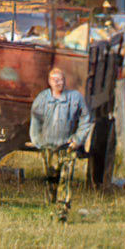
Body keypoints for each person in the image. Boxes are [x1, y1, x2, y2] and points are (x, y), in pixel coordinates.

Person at [29, 66, 94, 222]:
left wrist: (78, 139)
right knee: (51, 180)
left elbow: (86, 119)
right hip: (49, 147)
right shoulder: (42, 99)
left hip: (67, 147)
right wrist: (38, 141)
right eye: (55, 80)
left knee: (65, 180)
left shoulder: (75, 98)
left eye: (61, 80)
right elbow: (35, 120)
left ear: (65, 81)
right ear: (49, 82)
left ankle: (62, 212)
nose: (58, 83)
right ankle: (50, 210)